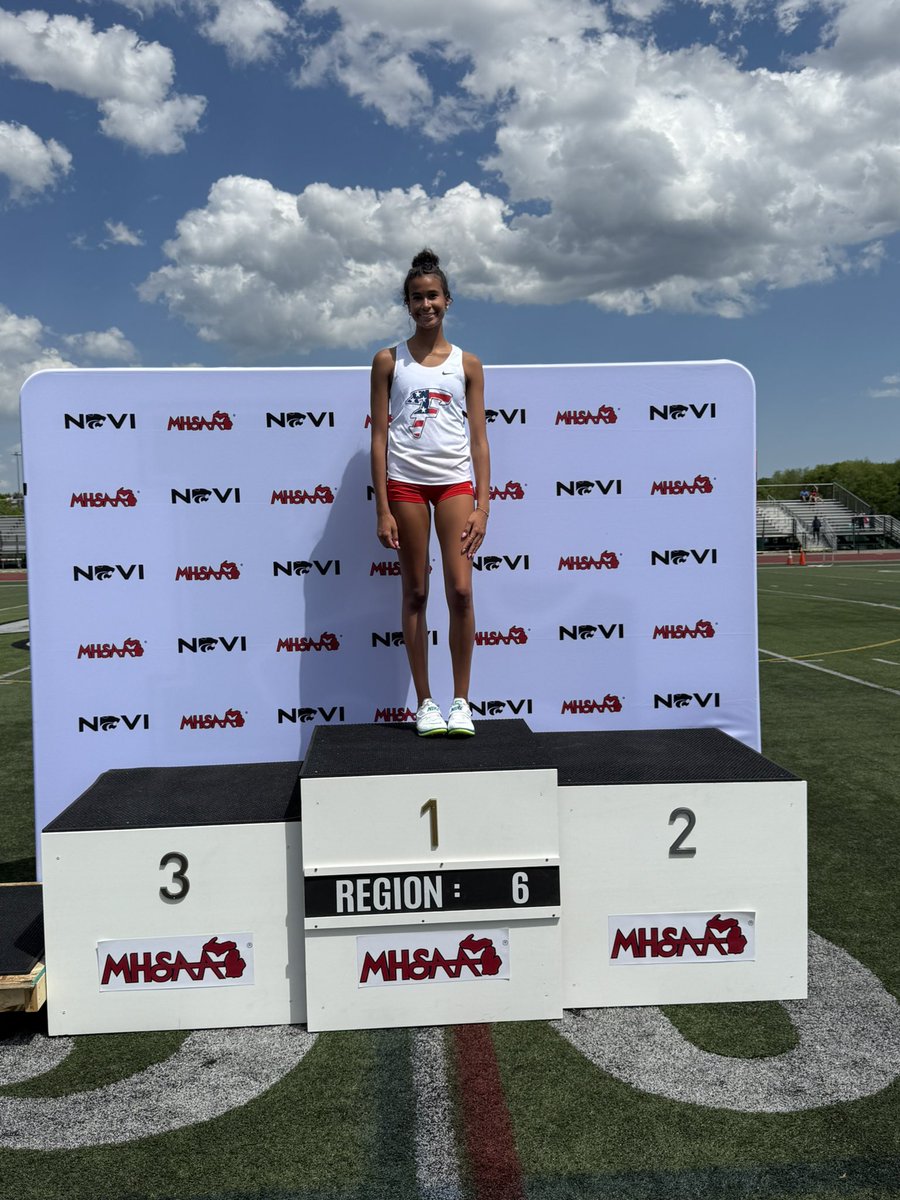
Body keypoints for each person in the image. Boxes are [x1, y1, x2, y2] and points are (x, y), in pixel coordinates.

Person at [370, 249, 491, 737]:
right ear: (407, 304)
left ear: (448, 300)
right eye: (417, 298)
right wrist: (382, 508)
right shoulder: (388, 361)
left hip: (454, 483)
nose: (426, 305)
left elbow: (479, 440)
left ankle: (461, 702)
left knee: (460, 591)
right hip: (405, 484)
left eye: (433, 296)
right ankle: (425, 703)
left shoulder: (468, 364)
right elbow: (379, 437)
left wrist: (483, 506)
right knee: (416, 592)